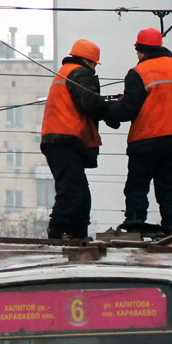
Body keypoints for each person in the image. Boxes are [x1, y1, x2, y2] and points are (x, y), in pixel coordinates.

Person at [103, 27, 172, 235]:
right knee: (169, 187)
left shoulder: (138, 72)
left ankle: (135, 222)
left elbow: (128, 110)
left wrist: (107, 111)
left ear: (140, 49)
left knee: (137, 185)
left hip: (148, 138)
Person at [40, 38, 105, 240]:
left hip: (59, 139)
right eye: (94, 64)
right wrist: (112, 110)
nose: (94, 69)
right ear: (87, 61)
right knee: (71, 192)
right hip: (64, 140)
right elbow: (89, 103)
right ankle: (59, 234)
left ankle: (75, 234)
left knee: (80, 195)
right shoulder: (78, 73)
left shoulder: (66, 72)